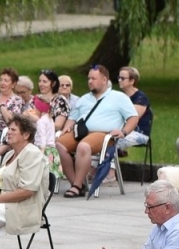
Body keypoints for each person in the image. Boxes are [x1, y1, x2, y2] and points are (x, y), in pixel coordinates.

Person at [57, 65, 139, 197]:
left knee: (84, 146)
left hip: (104, 134)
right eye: (89, 78)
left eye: (93, 78)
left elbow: (133, 118)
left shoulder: (119, 97)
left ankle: (76, 186)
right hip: (82, 133)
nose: (90, 81)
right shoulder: (84, 99)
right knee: (59, 145)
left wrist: (124, 132)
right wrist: (68, 126)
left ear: (104, 80)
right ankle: (76, 184)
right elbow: (72, 117)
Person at [115, 67, 152, 150]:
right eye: (119, 77)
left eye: (123, 78)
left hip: (139, 133)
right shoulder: (121, 96)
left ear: (132, 81)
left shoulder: (140, 98)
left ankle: (110, 161)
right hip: (122, 131)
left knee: (113, 141)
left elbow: (131, 119)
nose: (119, 80)